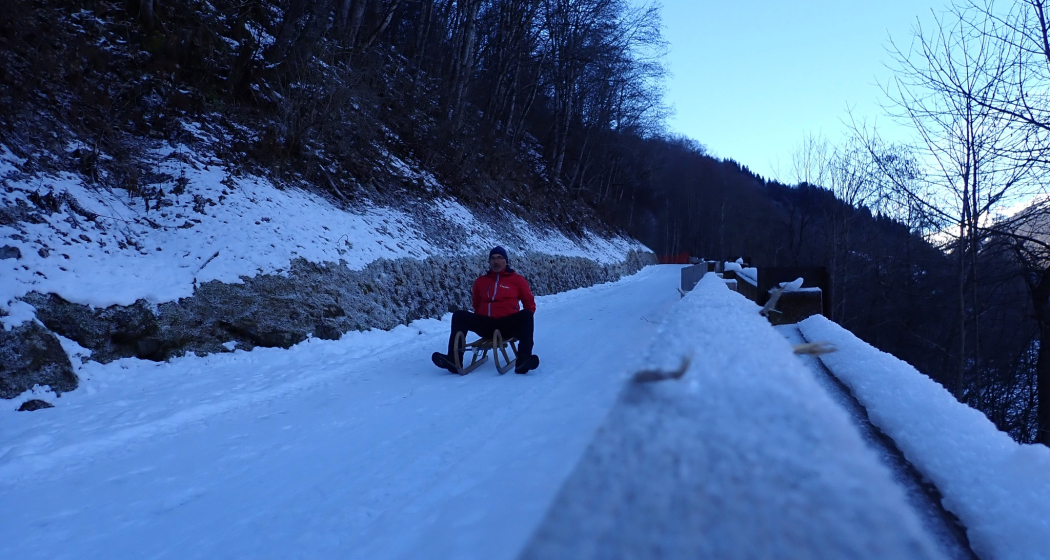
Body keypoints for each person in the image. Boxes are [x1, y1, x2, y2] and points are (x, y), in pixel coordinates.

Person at [432, 246, 540, 374]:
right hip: (486, 324)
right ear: (489, 262)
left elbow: (529, 304)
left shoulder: (517, 280)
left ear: (506, 261)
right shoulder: (481, 282)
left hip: (507, 325)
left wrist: (521, 326)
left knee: (527, 314)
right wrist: (481, 317)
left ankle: (523, 359)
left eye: (500, 258)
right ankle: (454, 359)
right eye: (493, 258)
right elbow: (476, 304)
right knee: (459, 315)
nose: (496, 261)